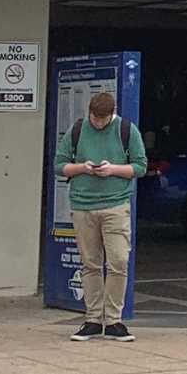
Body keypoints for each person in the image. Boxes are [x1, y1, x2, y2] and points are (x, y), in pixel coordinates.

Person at [56, 88, 146, 340]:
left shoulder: (127, 130)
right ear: (89, 113)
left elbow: (140, 166)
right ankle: (93, 318)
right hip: (83, 205)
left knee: (118, 261)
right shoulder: (77, 130)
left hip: (116, 205)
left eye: (102, 119)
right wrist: (82, 167)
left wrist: (114, 169)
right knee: (90, 263)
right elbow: (59, 165)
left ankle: (114, 320)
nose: (97, 122)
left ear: (112, 114)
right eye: (94, 118)